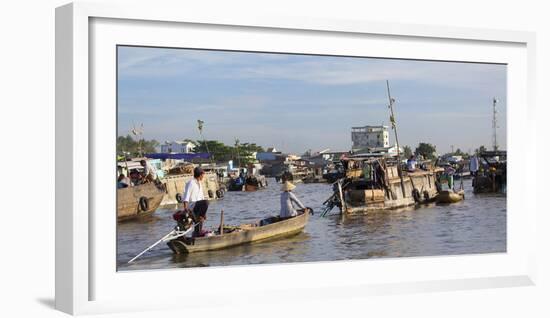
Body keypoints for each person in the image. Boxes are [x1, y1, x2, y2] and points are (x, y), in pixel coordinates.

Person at [182, 167, 209, 237]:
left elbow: (202, 197)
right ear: (200, 175)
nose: (203, 176)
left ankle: (197, 233)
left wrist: (204, 214)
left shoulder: (199, 183)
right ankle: (198, 231)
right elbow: (186, 195)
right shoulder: (191, 183)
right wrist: (185, 208)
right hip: (193, 205)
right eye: (203, 175)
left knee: (200, 217)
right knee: (206, 202)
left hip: (199, 205)